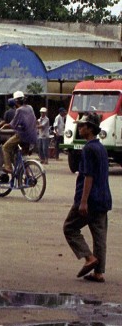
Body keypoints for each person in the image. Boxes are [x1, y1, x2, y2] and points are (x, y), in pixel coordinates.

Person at [63, 112, 112, 283]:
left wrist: (83, 202)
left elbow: (88, 177)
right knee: (99, 236)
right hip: (103, 198)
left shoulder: (89, 149)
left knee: (69, 228)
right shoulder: (101, 148)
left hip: (90, 199)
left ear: (90, 129)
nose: (80, 128)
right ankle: (98, 273)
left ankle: (89, 258)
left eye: (83, 126)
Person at [1, 91, 38, 174]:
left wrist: (3, 126)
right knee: (18, 155)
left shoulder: (19, 110)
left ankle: (8, 167)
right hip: (33, 136)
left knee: (5, 148)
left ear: (15, 101)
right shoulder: (30, 107)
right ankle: (27, 175)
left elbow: (12, 124)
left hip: (23, 136)